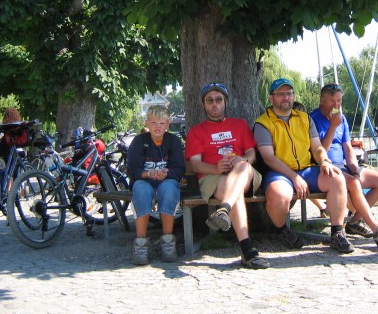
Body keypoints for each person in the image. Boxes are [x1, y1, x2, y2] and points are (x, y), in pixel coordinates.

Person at [254, 78, 354, 254]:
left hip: (307, 169)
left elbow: (317, 148)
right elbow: (269, 158)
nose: (286, 97)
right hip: (279, 172)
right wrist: (294, 177)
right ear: (272, 98)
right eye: (280, 94)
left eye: (289, 93)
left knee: (337, 178)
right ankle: (282, 231)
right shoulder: (263, 123)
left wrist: (324, 160)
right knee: (279, 195)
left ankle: (337, 233)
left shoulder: (305, 118)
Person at [185, 82, 270, 269]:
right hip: (214, 177)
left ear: (226, 102)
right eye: (209, 101)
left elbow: (251, 155)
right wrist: (215, 168)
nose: (214, 104)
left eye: (218, 100)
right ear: (204, 105)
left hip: (245, 174)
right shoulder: (196, 131)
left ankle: (224, 208)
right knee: (235, 192)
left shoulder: (239, 125)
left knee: (242, 164)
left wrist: (241, 160)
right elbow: (196, 164)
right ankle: (247, 250)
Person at [310, 83, 378, 247]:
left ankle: (354, 222)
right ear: (322, 101)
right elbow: (320, 151)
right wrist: (332, 127)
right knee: (354, 183)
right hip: (324, 167)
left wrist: (355, 168)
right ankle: (376, 230)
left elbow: (348, 149)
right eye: (332, 101)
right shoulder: (313, 119)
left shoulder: (342, 119)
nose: (336, 105)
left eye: (339, 101)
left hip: (343, 166)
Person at [127, 105, 186, 265]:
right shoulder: (139, 141)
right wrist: (149, 174)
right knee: (141, 189)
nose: (157, 127)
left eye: (161, 123)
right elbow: (132, 169)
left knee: (169, 189)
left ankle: (167, 241)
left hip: (166, 180)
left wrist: (166, 173)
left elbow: (179, 168)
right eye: (153, 123)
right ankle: (140, 242)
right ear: (147, 123)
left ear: (167, 124)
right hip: (144, 180)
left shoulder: (173, 141)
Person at [293, 101, 328, 218]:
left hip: (310, 166)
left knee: (337, 179)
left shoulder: (307, 128)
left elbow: (318, 149)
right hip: (297, 170)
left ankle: (327, 209)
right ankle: (323, 207)